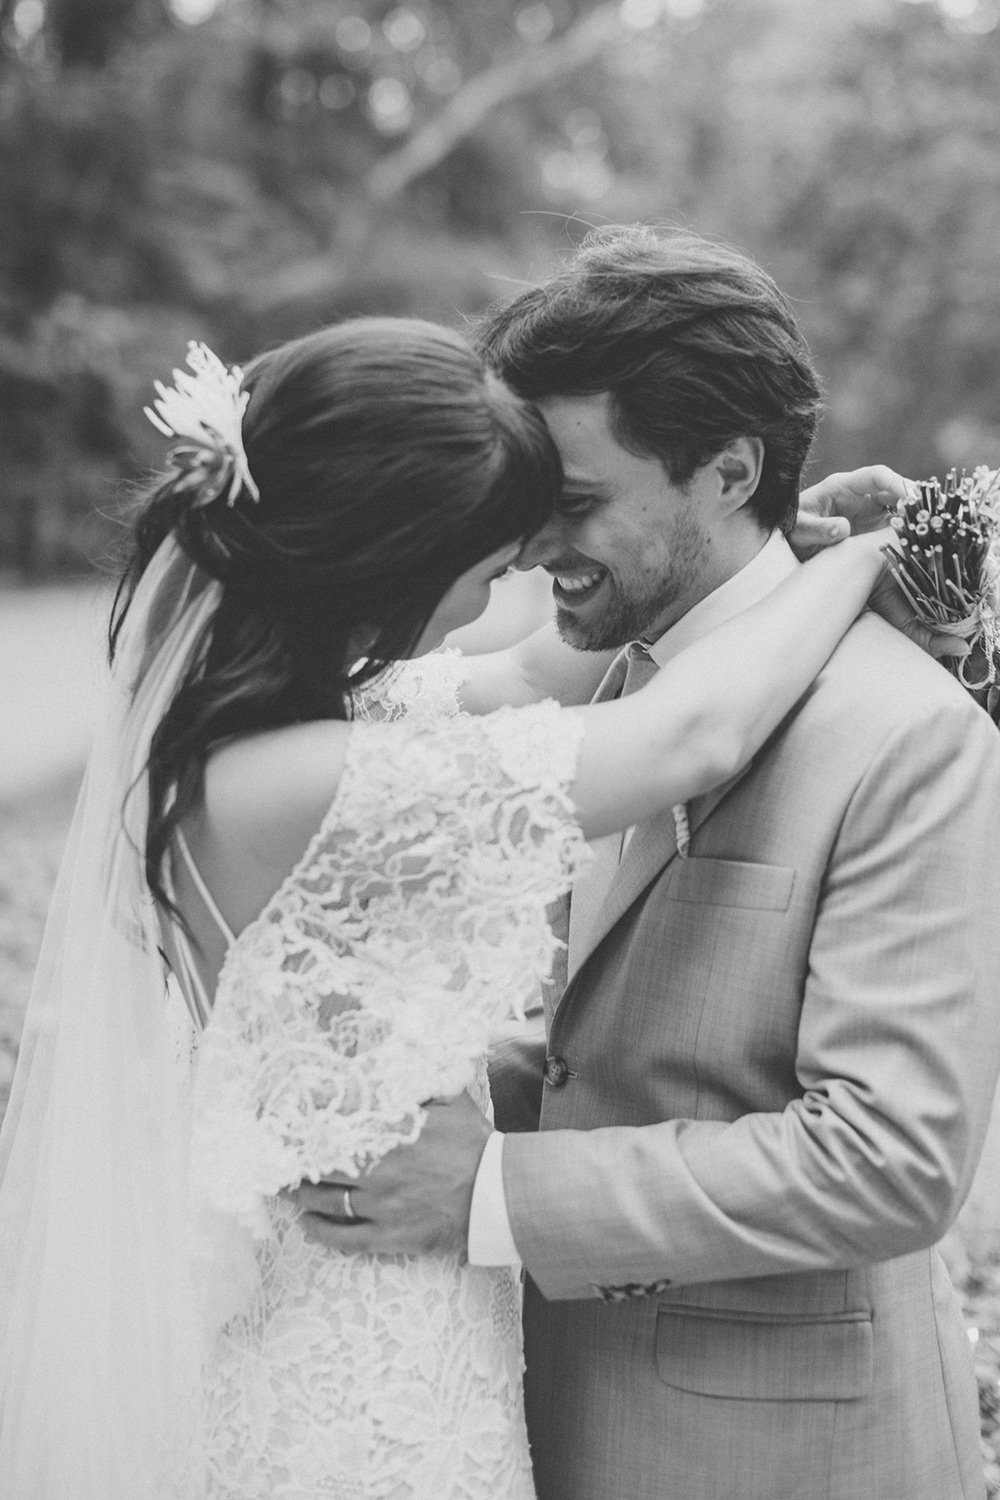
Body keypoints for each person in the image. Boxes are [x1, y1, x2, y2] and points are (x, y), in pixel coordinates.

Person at [0, 317, 898, 1500]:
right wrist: (864, 563)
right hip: (354, 1358)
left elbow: (531, 676)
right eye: (484, 570)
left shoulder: (302, 722)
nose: (496, 596)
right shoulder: (289, 783)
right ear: (389, 567)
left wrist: (757, 544)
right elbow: (688, 738)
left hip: (390, 1289)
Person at [298, 231, 1000, 1500]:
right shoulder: (611, 687)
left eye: (573, 501)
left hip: (780, 1458)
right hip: (552, 1413)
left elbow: (888, 1161)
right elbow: (624, 1048)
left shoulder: (905, 731)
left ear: (728, 472)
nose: (528, 549)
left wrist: (495, 1187)